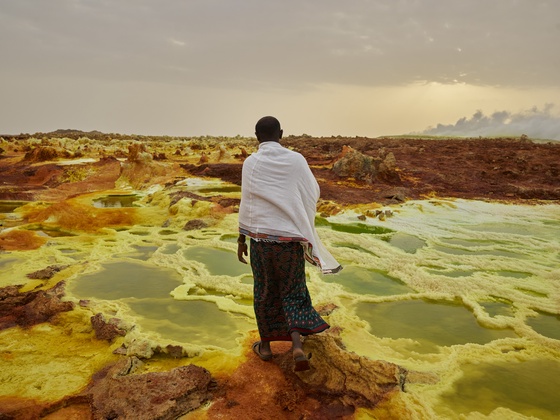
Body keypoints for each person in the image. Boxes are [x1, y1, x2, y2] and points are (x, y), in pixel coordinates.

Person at [237, 116, 341, 371]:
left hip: (261, 242)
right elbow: (312, 190)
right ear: (281, 133)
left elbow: (247, 202)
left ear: (256, 136)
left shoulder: (251, 163)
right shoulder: (296, 160)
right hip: (288, 242)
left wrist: (241, 238)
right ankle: (296, 346)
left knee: (264, 292)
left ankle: (266, 347)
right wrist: (296, 212)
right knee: (293, 290)